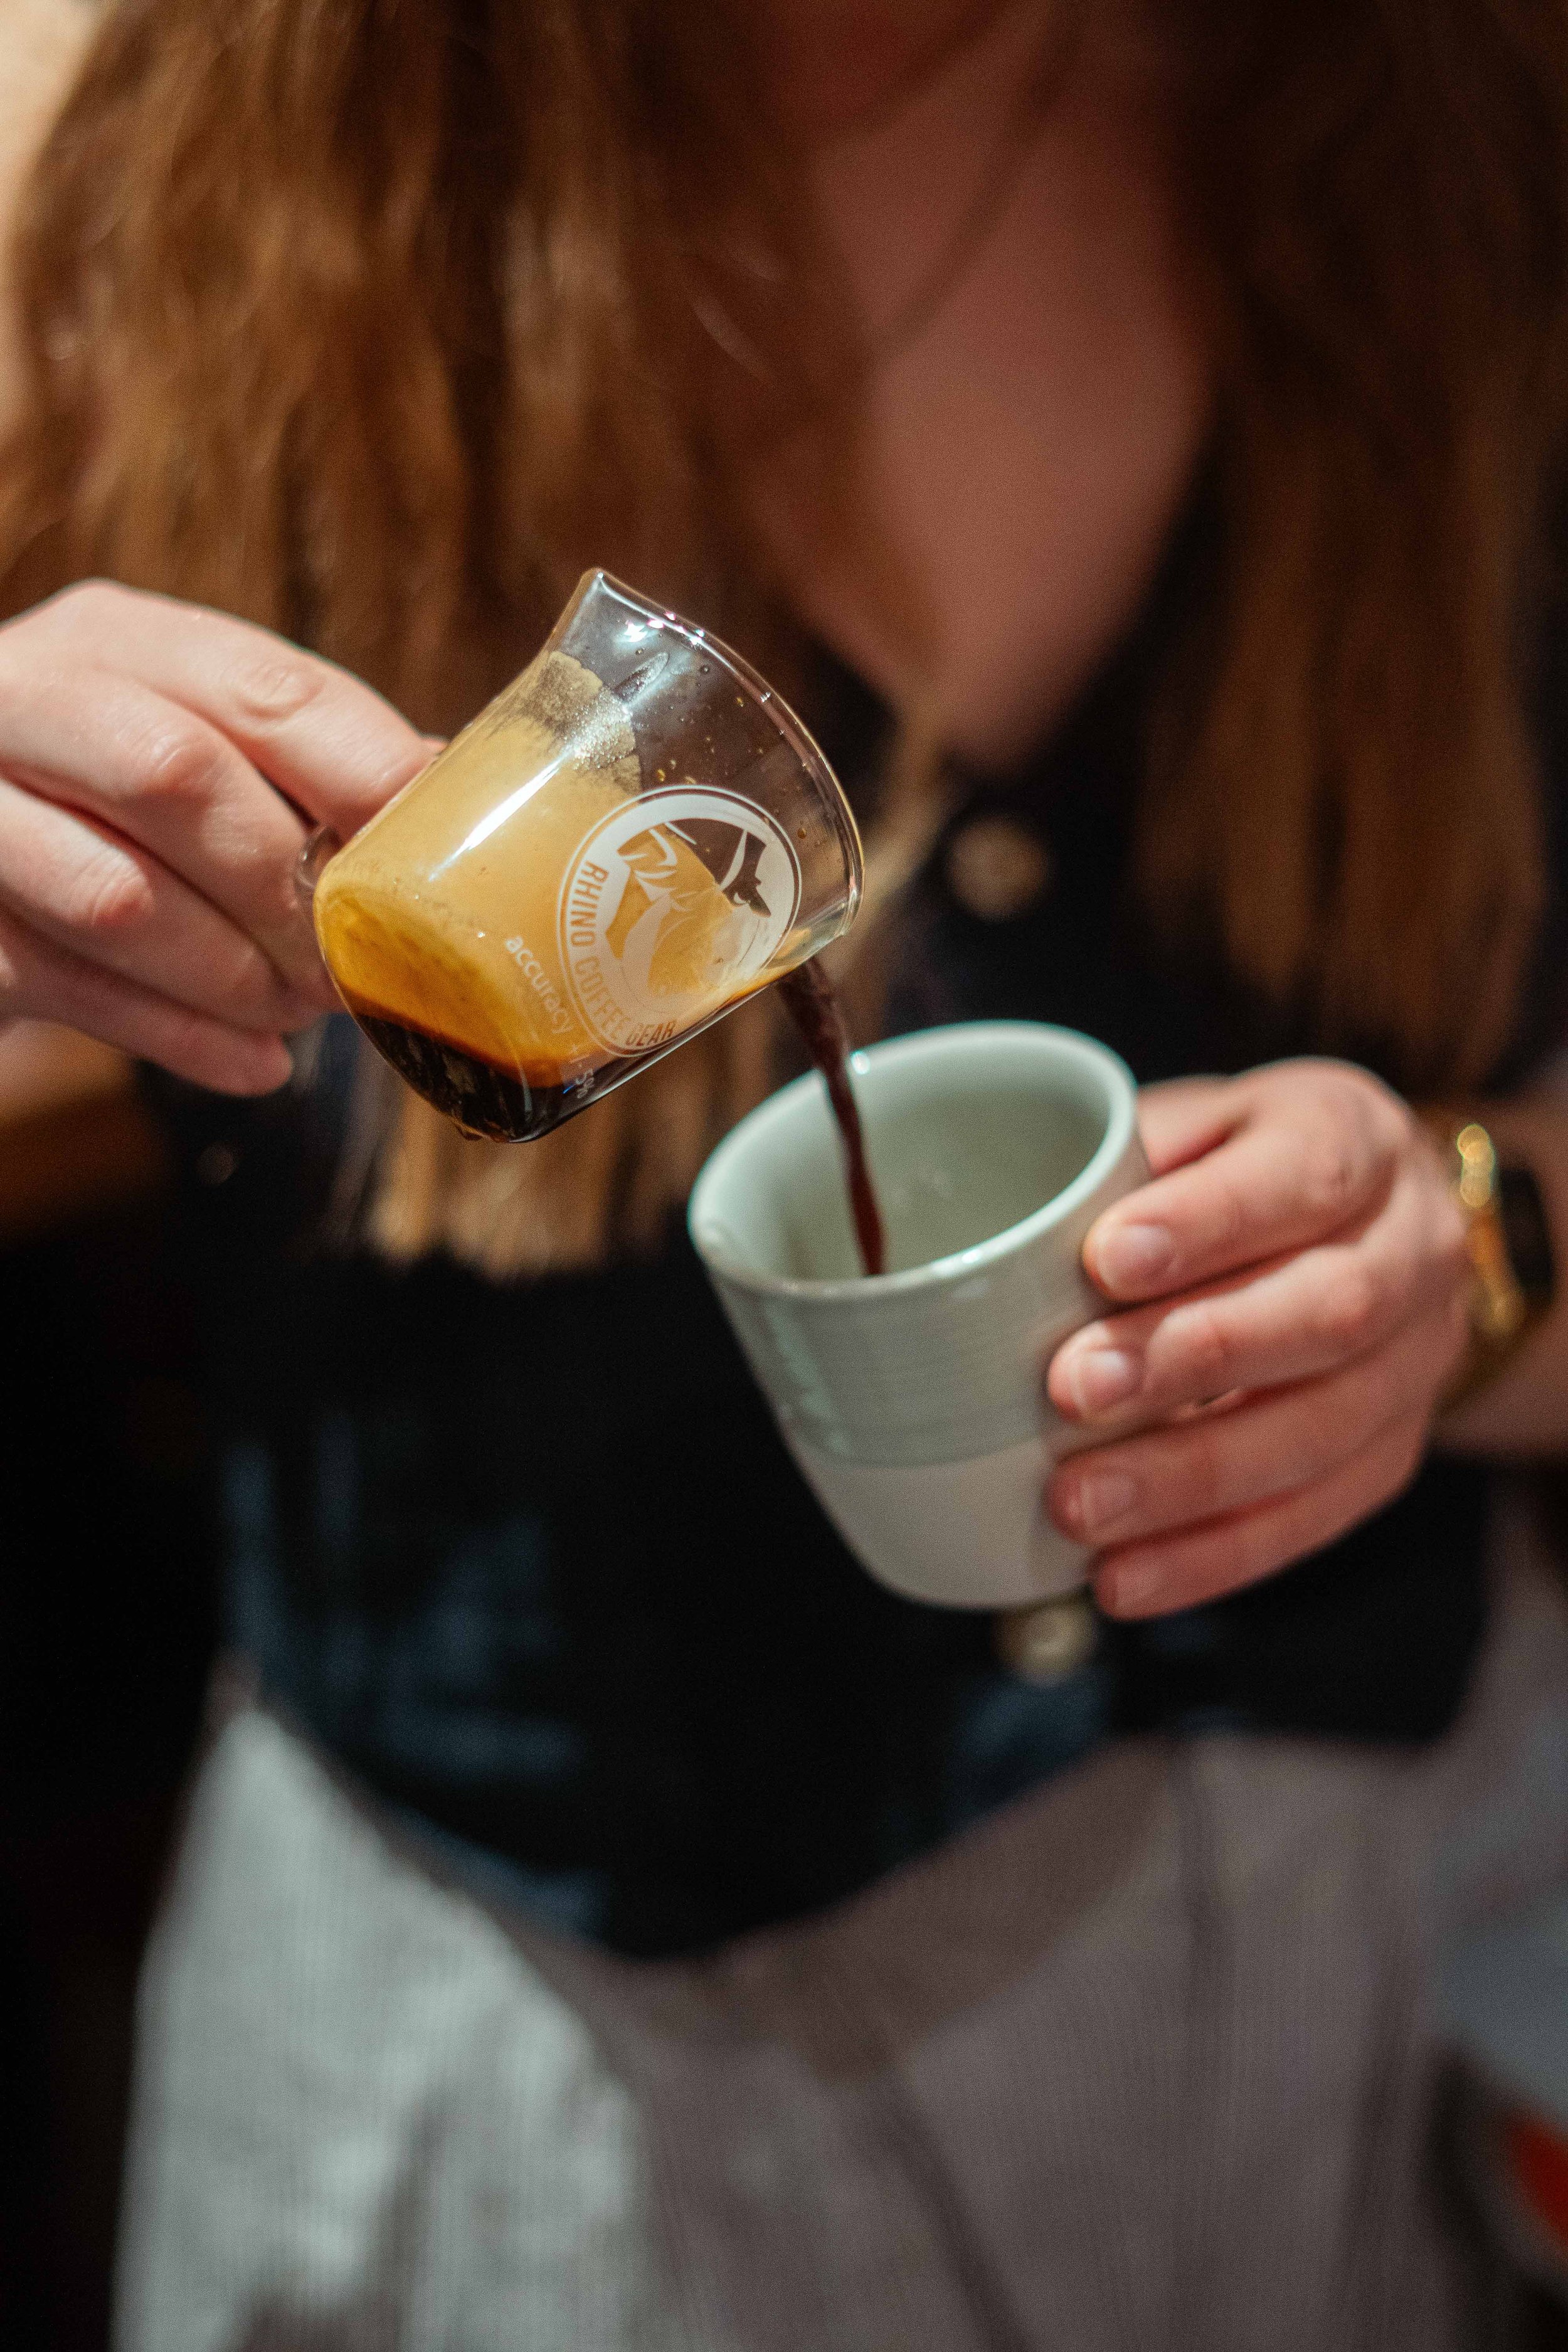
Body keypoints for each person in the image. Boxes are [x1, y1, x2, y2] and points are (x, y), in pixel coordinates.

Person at [4, 0, 1568, 2342]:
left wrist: (1474, 1249)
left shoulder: (1468, 120)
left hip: (1359, 1955)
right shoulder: (108, 145)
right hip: (558, 2100)